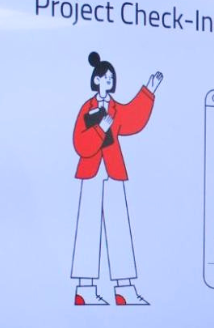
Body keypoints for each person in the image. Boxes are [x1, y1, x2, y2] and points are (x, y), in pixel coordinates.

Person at [70, 51, 163, 306]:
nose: (109, 81)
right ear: (96, 79)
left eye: (112, 78)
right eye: (105, 77)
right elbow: (80, 143)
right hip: (91, 172)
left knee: (119, 228)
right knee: (88, 229)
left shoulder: (114, 108)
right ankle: (85, 289)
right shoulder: (87, 109)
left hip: (113, 171)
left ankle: (124, 289)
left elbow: (133, 119)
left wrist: (148, 91)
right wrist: (101, 128)